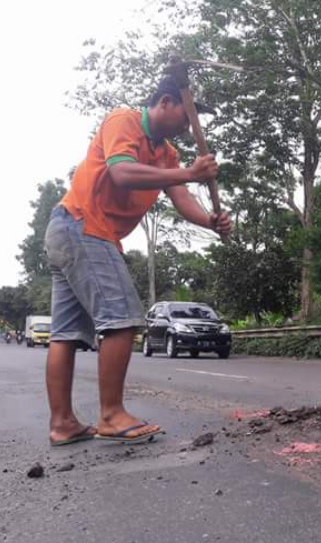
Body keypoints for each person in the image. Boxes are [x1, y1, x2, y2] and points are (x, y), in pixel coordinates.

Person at [43, 76, 231, 446]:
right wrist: (191, 173)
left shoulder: (167, 154)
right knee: (122, 317)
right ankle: (111, 415)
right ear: (165, 102)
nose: (189, 127)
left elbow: (181, 198)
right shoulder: (123, 120)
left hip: (73, 231)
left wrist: (209, 220)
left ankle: (63, 423)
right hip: (83, 226)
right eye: (186, 118)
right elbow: (122, 172)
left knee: (66, 332)